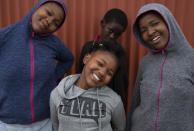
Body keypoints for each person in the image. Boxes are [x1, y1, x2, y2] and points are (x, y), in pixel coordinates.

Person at [0, 0, 74, 130]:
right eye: (48, 13)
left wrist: (54, 77)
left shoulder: (54, 43)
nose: (49, 21)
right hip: (8, 123)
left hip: (43, 122)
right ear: (37, 7)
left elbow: (68, 59)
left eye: (55, 23)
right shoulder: (5, 35)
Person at [126, 3, 194, 131]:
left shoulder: (191, 59)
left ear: (168, 22)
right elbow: (136, 101)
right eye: (144, 30)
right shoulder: (145, 62)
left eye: (154, 24)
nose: (150, 32)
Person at [50, 39, 126, 131]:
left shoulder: (114, 100)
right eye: (100, 64)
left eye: (109, 73)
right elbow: (55, 125)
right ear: (86, 59)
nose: (102, 73)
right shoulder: (58, 93)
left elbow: (120, 128)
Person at [78, 8, 129, 107]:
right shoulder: (88, 47)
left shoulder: (119, 54)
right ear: (102, 23)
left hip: (104, 105)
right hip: (83, 102)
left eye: (117, 34)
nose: (112, 36)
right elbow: (79, 73)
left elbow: (120, 87)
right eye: (110, 31)